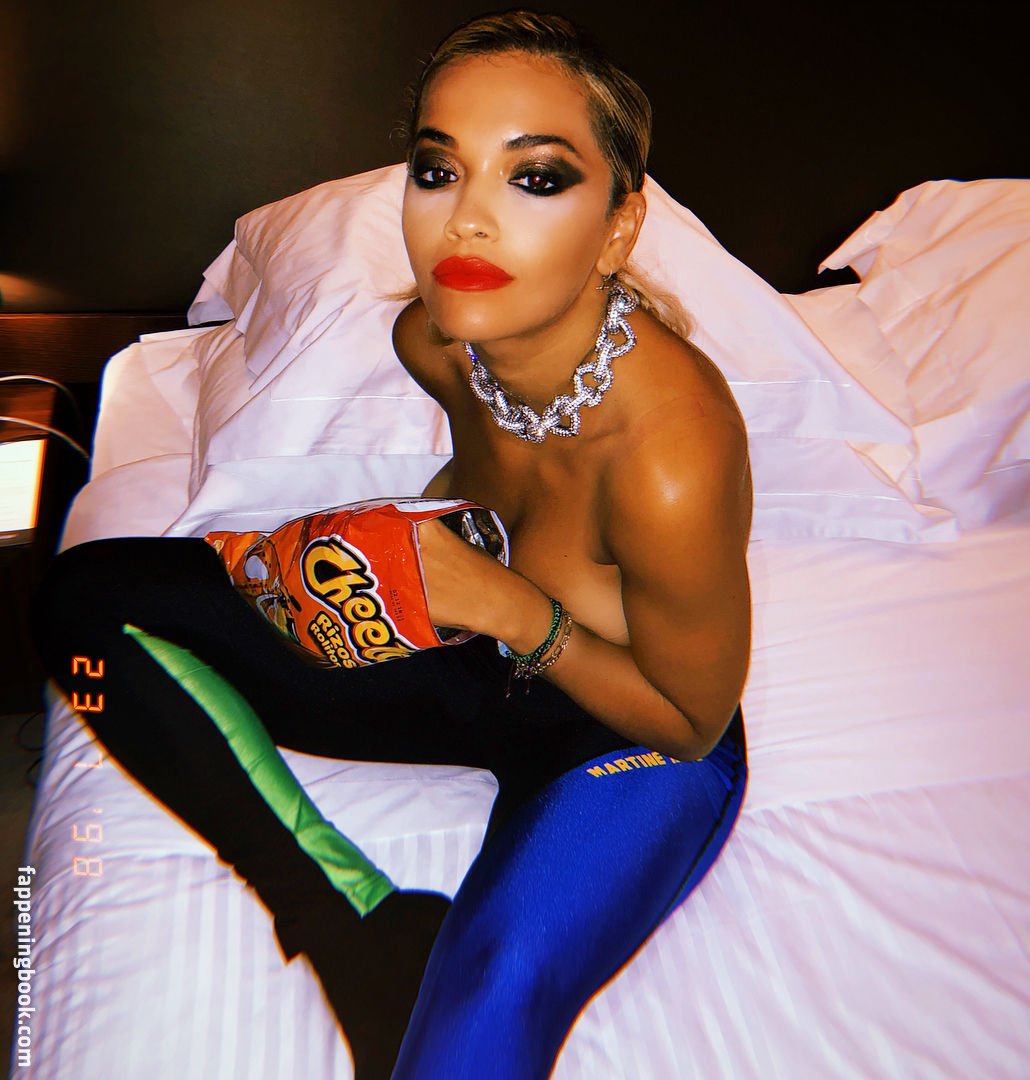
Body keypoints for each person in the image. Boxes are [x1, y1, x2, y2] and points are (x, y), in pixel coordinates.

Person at [33, 11, 751, 1080]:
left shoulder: (671, 455)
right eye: (437, 170)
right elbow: (483, 468)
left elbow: (692, 723)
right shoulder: (440, 339)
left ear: (618, 225)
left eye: (535, 178)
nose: (468, 221)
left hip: (620, 743)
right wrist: (402, 548)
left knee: (475, 1033)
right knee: (84, 600)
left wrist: (505, 604)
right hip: (465, 658)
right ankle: (344, 920)